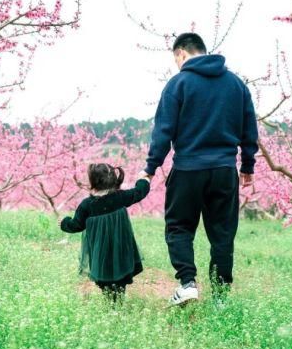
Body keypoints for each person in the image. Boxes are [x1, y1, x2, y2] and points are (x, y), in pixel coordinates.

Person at [143, 32, 259, 307]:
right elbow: (249, 128)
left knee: (179, 227)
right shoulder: (236, 85)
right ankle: (221, 298)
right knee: (222, 233)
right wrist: (248, 165)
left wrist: (150, 167)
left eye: (176, 59)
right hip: (224, 169)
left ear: (181, 53)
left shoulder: (178, 83)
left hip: (188, 169)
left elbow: (163, 131)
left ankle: (187, 284)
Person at [58, 163, 151, 303]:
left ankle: (110, 300)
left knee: (104, 278)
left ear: (93, 181)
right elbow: (139, 192)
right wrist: (144, 179)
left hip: (100, 252)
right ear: (113, 178)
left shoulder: (87, 205)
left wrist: (64, 222)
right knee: (121, 275)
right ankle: (117, 300)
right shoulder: (120, 197)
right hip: (121, 247)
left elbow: (76, 225)